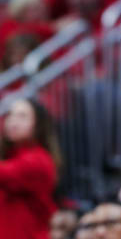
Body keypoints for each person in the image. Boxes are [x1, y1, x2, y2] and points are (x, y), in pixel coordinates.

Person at [0, 98, 62, 238]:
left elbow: (6, 173)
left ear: (38, 124)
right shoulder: (11, 157)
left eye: (22, 116)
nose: (13, 121)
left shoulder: (38, 160)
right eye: (10, 115)